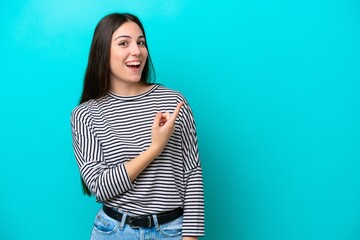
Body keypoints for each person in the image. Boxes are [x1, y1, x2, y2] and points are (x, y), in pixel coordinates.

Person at [70, 13, 205, 240]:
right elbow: (101, 187)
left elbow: (192, 174)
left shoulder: (172, 102)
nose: (137, 51)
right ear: (103, 51)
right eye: (124, 43)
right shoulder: (85, 114)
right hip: (113, 232)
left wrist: (190, 237)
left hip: (171, 231)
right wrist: (154, 148)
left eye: (141, 42)